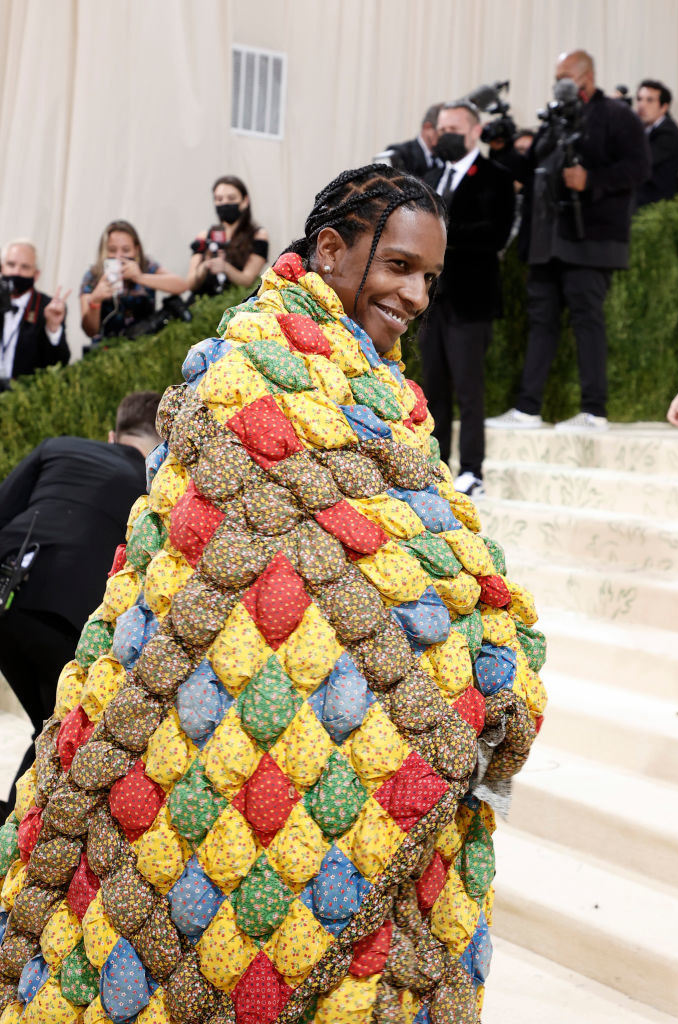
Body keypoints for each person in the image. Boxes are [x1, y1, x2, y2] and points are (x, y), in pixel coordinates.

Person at [0, 165, 545, 1024]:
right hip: (211, 733)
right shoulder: (245, 367)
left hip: (331, 733)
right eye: (399, 266)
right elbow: (242, 547)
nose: (414, 295)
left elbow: (424, 545)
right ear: (330, 249)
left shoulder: (386, 397)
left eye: (429, 279)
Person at [0, 391, 160, 817]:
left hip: (6, 586)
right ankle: (14, 839)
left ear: (112, 435)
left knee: (40, 724)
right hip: (67, 617)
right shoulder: (153, 489)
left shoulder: (57, 448)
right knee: (49, 734)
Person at [487, 50, 650, 432]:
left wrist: (591, 180)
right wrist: (504, 150)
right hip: (546, 238)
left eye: (564, 75)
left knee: (587, 320)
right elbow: (528, 172)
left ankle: (595, 411)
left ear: (586, 78)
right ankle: (528, 409)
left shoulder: (616, 115)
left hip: (590, 237)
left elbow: (639, 167)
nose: (558, 82)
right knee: (541, 320)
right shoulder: (553, 119)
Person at [419, 102, 515, 497]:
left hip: (471, 300)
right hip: (430, 301)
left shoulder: (495, 177)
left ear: (475, 131)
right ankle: (435, 469)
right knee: (433, 387)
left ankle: (472, 470)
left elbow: (495, 233)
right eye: (442, 128)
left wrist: (441, 235)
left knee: (468, 388)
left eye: (454, 128)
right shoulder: (430, 176)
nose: (446, 135)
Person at [80, 220, 186, 340]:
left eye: (126, 250)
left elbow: (181, 285)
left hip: (146, 341)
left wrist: (140, 277)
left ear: (136, 250)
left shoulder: (146, 266)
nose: (118, 256)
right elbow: (89, 330)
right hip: (108, 348)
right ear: (104, 250)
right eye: (112, 250)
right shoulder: (93, 276)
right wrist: (95, 301)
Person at [0, 239, 69, 384]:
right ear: (2, 268)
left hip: (24, 397)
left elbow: (59, 364)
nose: (16, 272)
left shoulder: (48, 307)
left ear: (36, 274)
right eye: (11, 265)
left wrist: (53, 328)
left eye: (24, 267)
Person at [186, 175, 269, 297]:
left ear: (245, 201)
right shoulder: (204, 236)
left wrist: (225, 267)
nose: (224, 203)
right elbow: (190, 283)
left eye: (231, 198)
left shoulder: (258, 235)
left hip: (234, 304)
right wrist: (205, 265)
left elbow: (248, 280)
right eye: (219, 199)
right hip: (202, 304)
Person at [635, 79, 678, 208]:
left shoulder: (668, 133)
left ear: (664, 107)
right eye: (640, 99)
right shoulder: (647, 128)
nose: (642, 105)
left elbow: (639, 160)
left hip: (654, 207)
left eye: (649, 100)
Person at [376, 102, 444, 177]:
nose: (448, 136)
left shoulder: (446, 158)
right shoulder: (399, 154)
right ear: (427, 127)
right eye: (443, 130)